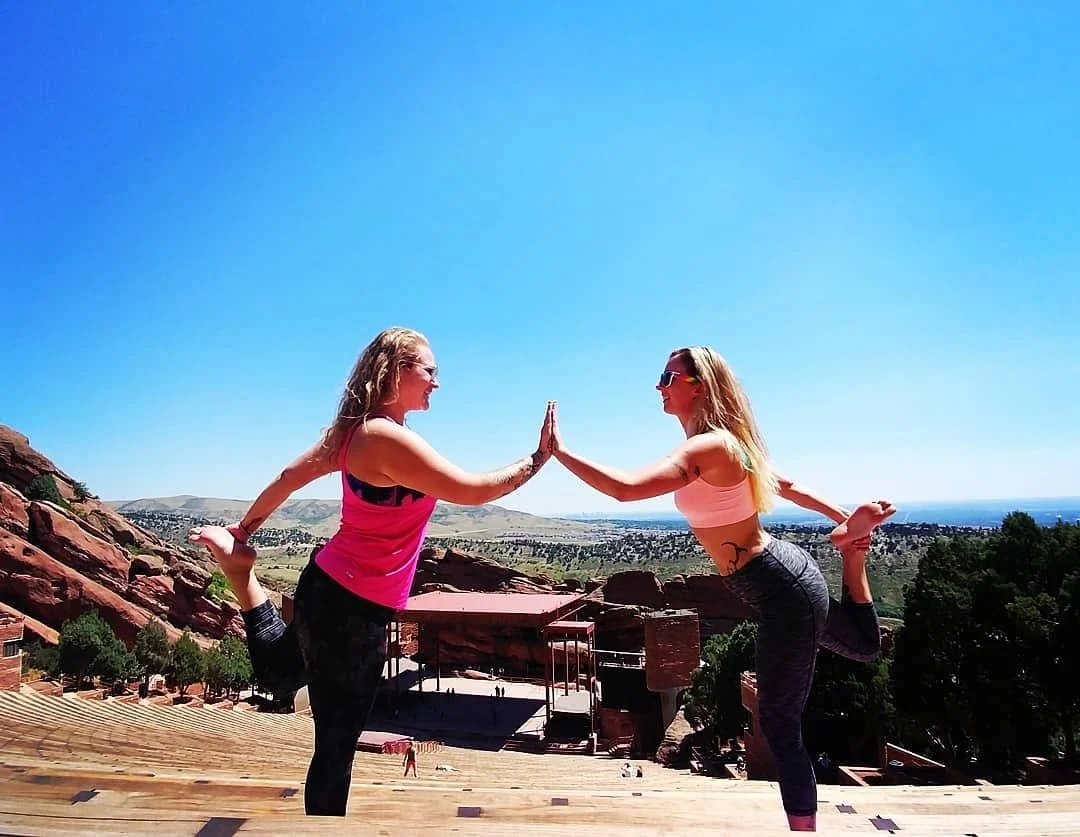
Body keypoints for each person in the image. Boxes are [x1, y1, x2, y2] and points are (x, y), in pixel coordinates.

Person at [188, 327, 554, 816]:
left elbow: (287, 478)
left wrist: (246, 529)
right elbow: (471, 490)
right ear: (395, 370)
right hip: (354, 609)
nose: (436, 383)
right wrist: (537, 459)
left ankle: (241, 571)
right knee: (335, 749)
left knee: (285, 676)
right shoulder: (382, 436)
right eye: (429, 370)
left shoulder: (351, 433)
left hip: (331, 587)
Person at [547, 345, 894, 832]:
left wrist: (559, 452)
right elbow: (788, 485)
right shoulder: (728, 444)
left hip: (781, 589)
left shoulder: (710, 446)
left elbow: (625, 489)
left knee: (779, 723)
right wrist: (844, 521)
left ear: (700, 385)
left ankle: (805, 830)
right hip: (784, 578)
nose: (658, 386)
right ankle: (849, 552)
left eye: (668, 376)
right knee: (862, 646)